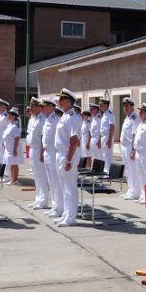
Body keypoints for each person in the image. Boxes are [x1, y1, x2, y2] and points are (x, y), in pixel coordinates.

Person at [54, 88, 83, 227]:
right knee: (64, 187)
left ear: (68, 101)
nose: (59, 102)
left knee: (70, 188)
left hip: (67, 155)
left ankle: (71, 217)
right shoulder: (65, 116)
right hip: (61, 153)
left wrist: (69, 160)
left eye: (61, 99)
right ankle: (66, 214)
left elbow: (74, 141)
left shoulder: (73, 117)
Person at [41, 99, 63, 218]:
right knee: (51, 181)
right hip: (47, 152)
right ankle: (55, 205)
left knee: (56, 181)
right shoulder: (47, 119)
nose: (42, 108)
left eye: (44, 106)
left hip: (54, 153)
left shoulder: (56, 120)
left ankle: (59, 207)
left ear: (51, 107)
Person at [120, 97, 140, 200]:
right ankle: (130, 189)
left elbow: (135, 135)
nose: (125, 108)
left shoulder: (134, 118)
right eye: (124, 106)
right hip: (124, 147)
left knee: (133, 170)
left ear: (132, 107)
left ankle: (135, 191)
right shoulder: (127, 118)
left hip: (129, 147)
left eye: (127, 106)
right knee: (127, 170)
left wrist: (133, 150)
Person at [3, 108, 24, 185]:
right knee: (11, 163)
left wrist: (15, 149)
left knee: (14, 163)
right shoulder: (10, 124)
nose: (9, 116)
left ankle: (15, 179)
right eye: (9, 114)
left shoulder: (15, 125)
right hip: (9, 147)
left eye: (11, 115)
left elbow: (17, 138)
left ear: (15, 116)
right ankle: (12, 178)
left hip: (13, 147)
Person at [98, 98, 116, 173]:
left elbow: (112, 126)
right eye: (100, 105)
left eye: (102, 105)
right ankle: (105, 170)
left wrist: (109, 139)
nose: (100, 106)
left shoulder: (110, 114)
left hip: (107, 136)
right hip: (103, 136)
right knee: (103, 154)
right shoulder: (104, 114)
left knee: (107, 155)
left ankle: (108, 171)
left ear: (106, 105)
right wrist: (99, 139)